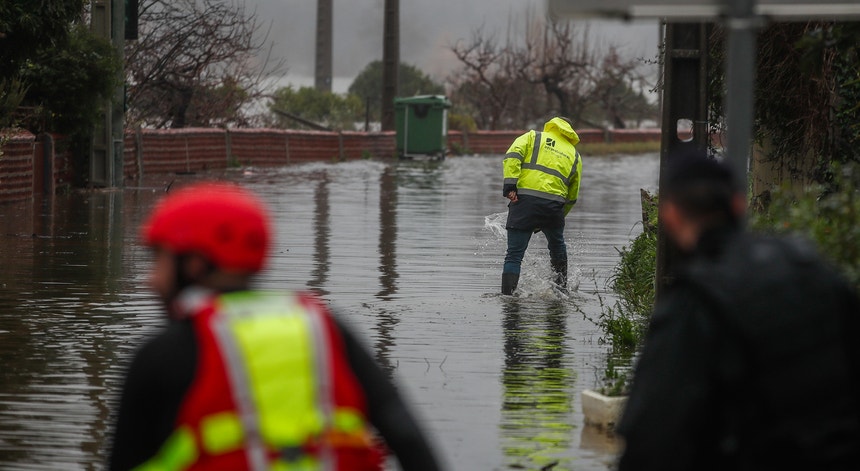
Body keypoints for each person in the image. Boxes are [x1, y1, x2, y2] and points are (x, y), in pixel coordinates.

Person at [108, 182, 442, 471]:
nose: (150, 280)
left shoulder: (163, 355)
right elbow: (409, 439)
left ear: (195, 264)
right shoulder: (327, 329)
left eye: (158, 259)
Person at [617, 153, 860, 470]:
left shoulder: (696, 300)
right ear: (738, 206)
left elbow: (650, 438)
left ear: (671, 216)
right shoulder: (812, 267)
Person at [501, 116, 583, 295]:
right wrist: (560, 214)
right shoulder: (574, 154)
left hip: (523, 203)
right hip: (553, 208)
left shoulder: (533, 137)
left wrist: (510, 185)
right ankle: (561, 292)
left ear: (551, 125)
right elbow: (572, 195)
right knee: (558, 250)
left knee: (514, 255)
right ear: (569, 131)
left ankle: (507, 299)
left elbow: (512, 155)